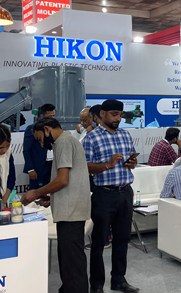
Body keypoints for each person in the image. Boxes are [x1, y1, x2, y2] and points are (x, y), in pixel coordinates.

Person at [21, 117, 90, 293]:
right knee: (68, 260)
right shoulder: (67, 141)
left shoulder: (63, 142)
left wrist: (36, 192)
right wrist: (52, 197)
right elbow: (71, 181)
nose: (41, 144)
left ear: (47, 129)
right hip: (70, 209)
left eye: (40, 139)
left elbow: (62, 180)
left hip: (71, 213)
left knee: (72, 264)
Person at [83, 99, 139, 293]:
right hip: (104, 195)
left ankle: (119, 280)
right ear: (102, 114)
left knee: (122, 239)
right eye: (114, 114)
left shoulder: (125, 134)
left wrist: (132, 163)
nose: (118, 118)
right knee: (99, 241)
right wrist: (108, 164)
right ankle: (96, 285)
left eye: (120, 115)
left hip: (125, 192)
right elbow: (85, 167)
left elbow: (131, 161)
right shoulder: (91, 138)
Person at [23, 103, 55, 190]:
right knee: (36, 191)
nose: (52, 118)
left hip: (52, 165)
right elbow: (27, 150)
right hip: (38, 167)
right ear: (42, 116)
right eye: (50, 116)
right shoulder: (32, 129)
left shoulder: (55, 129)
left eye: (53, 116)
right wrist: (30, 169)